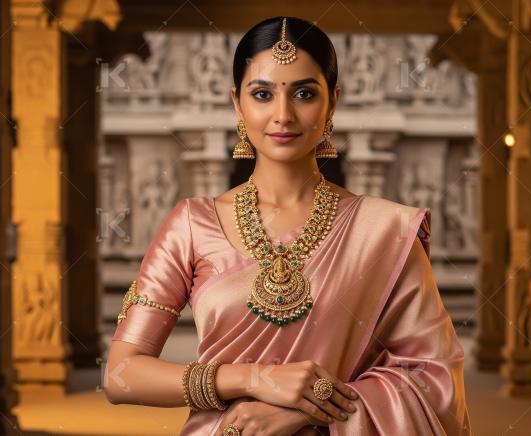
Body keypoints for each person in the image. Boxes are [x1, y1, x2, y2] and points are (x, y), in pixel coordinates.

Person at [105, 16, 472, 436]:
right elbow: (121, 375)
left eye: (304, 93)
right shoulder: (191, 224)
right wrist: (253, 379)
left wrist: (309, 410)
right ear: (237, 103)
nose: (283, 115)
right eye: (262, 94)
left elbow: (434, 379)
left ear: (333, 102)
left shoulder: (386, 229)